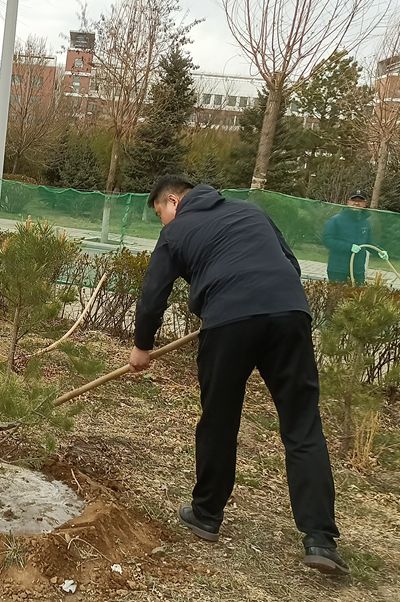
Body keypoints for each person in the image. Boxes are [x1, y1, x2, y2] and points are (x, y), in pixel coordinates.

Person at [129, 175, 348, 575]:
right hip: (289, 313)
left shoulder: (176, 231)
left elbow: (153, 293)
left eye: (160, 213)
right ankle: (320, 539)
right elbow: (290, 264)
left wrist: (142, 345)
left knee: (220, 419)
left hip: (229, 321)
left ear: (172, 202)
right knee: (302, 424)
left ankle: (206, 514)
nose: (163, 222)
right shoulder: (251, 212)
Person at [323, 190, 372, 285]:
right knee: (337, 294)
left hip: (358, 271)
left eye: (360, 201)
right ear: (348, 202)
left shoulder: (365, 222)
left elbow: (369, 242)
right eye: (354, 200)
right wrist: (349, 247)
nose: (356, 203)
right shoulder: (336, 220)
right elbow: (327, 240)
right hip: (338, 270)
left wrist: (380, 252)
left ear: (365, 204)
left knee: (358, 294)